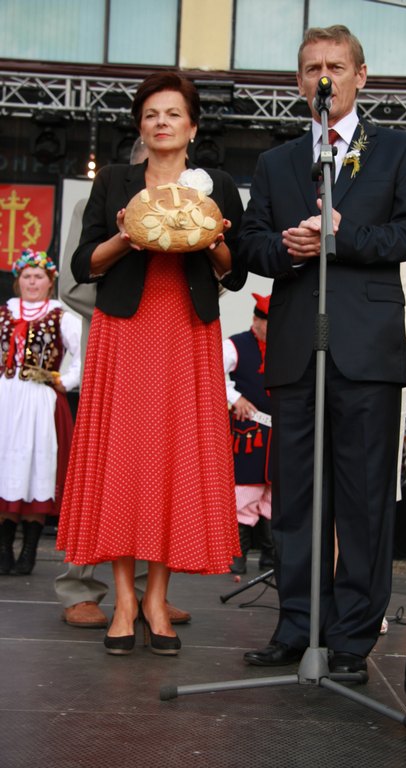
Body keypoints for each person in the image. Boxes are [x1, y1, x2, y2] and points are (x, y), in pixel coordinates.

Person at [239, 25, 406, 675]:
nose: (322, 76)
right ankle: (299, 625)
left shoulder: (398, 150)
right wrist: (290, 249)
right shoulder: (278, 162)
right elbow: (251, 245)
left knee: (362, 502)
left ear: (360, 76)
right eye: (310, 67)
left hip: (367, 350)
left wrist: (344, 236)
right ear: (299, 82)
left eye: (335, 65)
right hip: (297, 349)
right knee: (296, 500)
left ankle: (352, 640)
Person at [56, 72, 246, 656]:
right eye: (151, 115)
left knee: (173, 458)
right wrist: (126, 239)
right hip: (126, 330)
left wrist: (212, 239)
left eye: (173, 113)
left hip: (188, 330)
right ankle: (124, 600)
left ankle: (157, 599)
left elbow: (235, 271)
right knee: (123, 457)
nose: (161, 123)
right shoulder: (114, 180)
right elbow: (83, 264)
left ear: (193, 126)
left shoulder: (216, 185)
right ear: (141, 126)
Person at [56, 138, 191, 629]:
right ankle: (79, 587)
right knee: (105, 461)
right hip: (115, 343)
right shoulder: (97, 201)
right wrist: (133, 307)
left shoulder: (187, 204)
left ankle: (143, 593)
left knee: (156, 462)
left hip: (166, 350)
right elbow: (72, 284)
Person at [0, 250, 81, 575]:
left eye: (39, 277)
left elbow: (83, 355)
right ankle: (4, 548)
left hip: (40, 401)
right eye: (27, 276)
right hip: (6, 400)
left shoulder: (61, 316)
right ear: (18, 281)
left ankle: (29, 551)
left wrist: (64, 381)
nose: (32, 282)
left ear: (50, 282)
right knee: (6, 464)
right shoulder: (5, 312)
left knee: (37, 466)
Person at [223, 292, 273, 575]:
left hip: (280, 433)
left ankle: (271, 558)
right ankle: (237, 554)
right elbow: (211, 372)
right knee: (244, 493)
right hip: (250, 432)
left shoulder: (288, 347)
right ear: (256, 319)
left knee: (275, 497)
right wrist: (235, 398)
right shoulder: (235, 345)